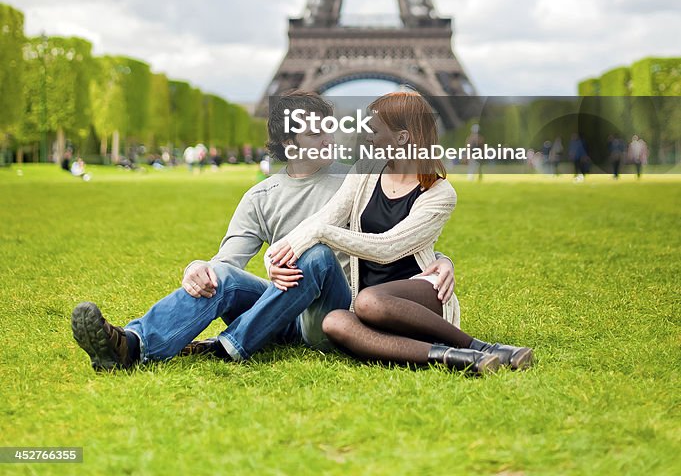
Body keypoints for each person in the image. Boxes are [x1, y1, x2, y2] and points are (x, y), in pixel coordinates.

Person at [70, 89, 456, 371]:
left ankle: (228, 346)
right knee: (219, 275)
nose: (330, 138)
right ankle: (131, 345)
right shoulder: (260, 196)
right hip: (278, 311)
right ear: (290, 143)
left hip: (333, 312)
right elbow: (228, 262)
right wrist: (197, 266)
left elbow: (398, 231)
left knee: (317, 256)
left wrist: (440, 259)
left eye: (330, 128)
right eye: (316, 132)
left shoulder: (355, 179)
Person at [265, 92, 534, 376]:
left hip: (418, 294)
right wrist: (274, 258)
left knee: (370, 301)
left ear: (402, 137)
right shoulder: (365, 172)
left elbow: (388, 248)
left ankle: (480, 346)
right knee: (334, 322)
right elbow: (323, 218)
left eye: (374, 130)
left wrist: (322, 234)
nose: (368, 138)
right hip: (367, 303)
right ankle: (452, 357)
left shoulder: (439, 193)